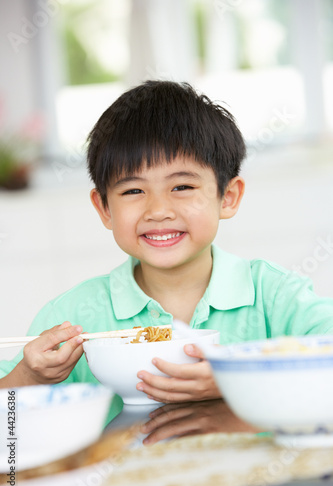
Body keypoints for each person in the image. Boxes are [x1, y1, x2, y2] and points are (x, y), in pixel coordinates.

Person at [1, 81, 333, 419]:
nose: (158, 210)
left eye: (183, 186)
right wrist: (30, 376)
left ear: (227, 197)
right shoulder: (74, 316)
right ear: (104, 208)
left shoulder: (274, 296)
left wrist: (237, 381)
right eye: (132, 191)